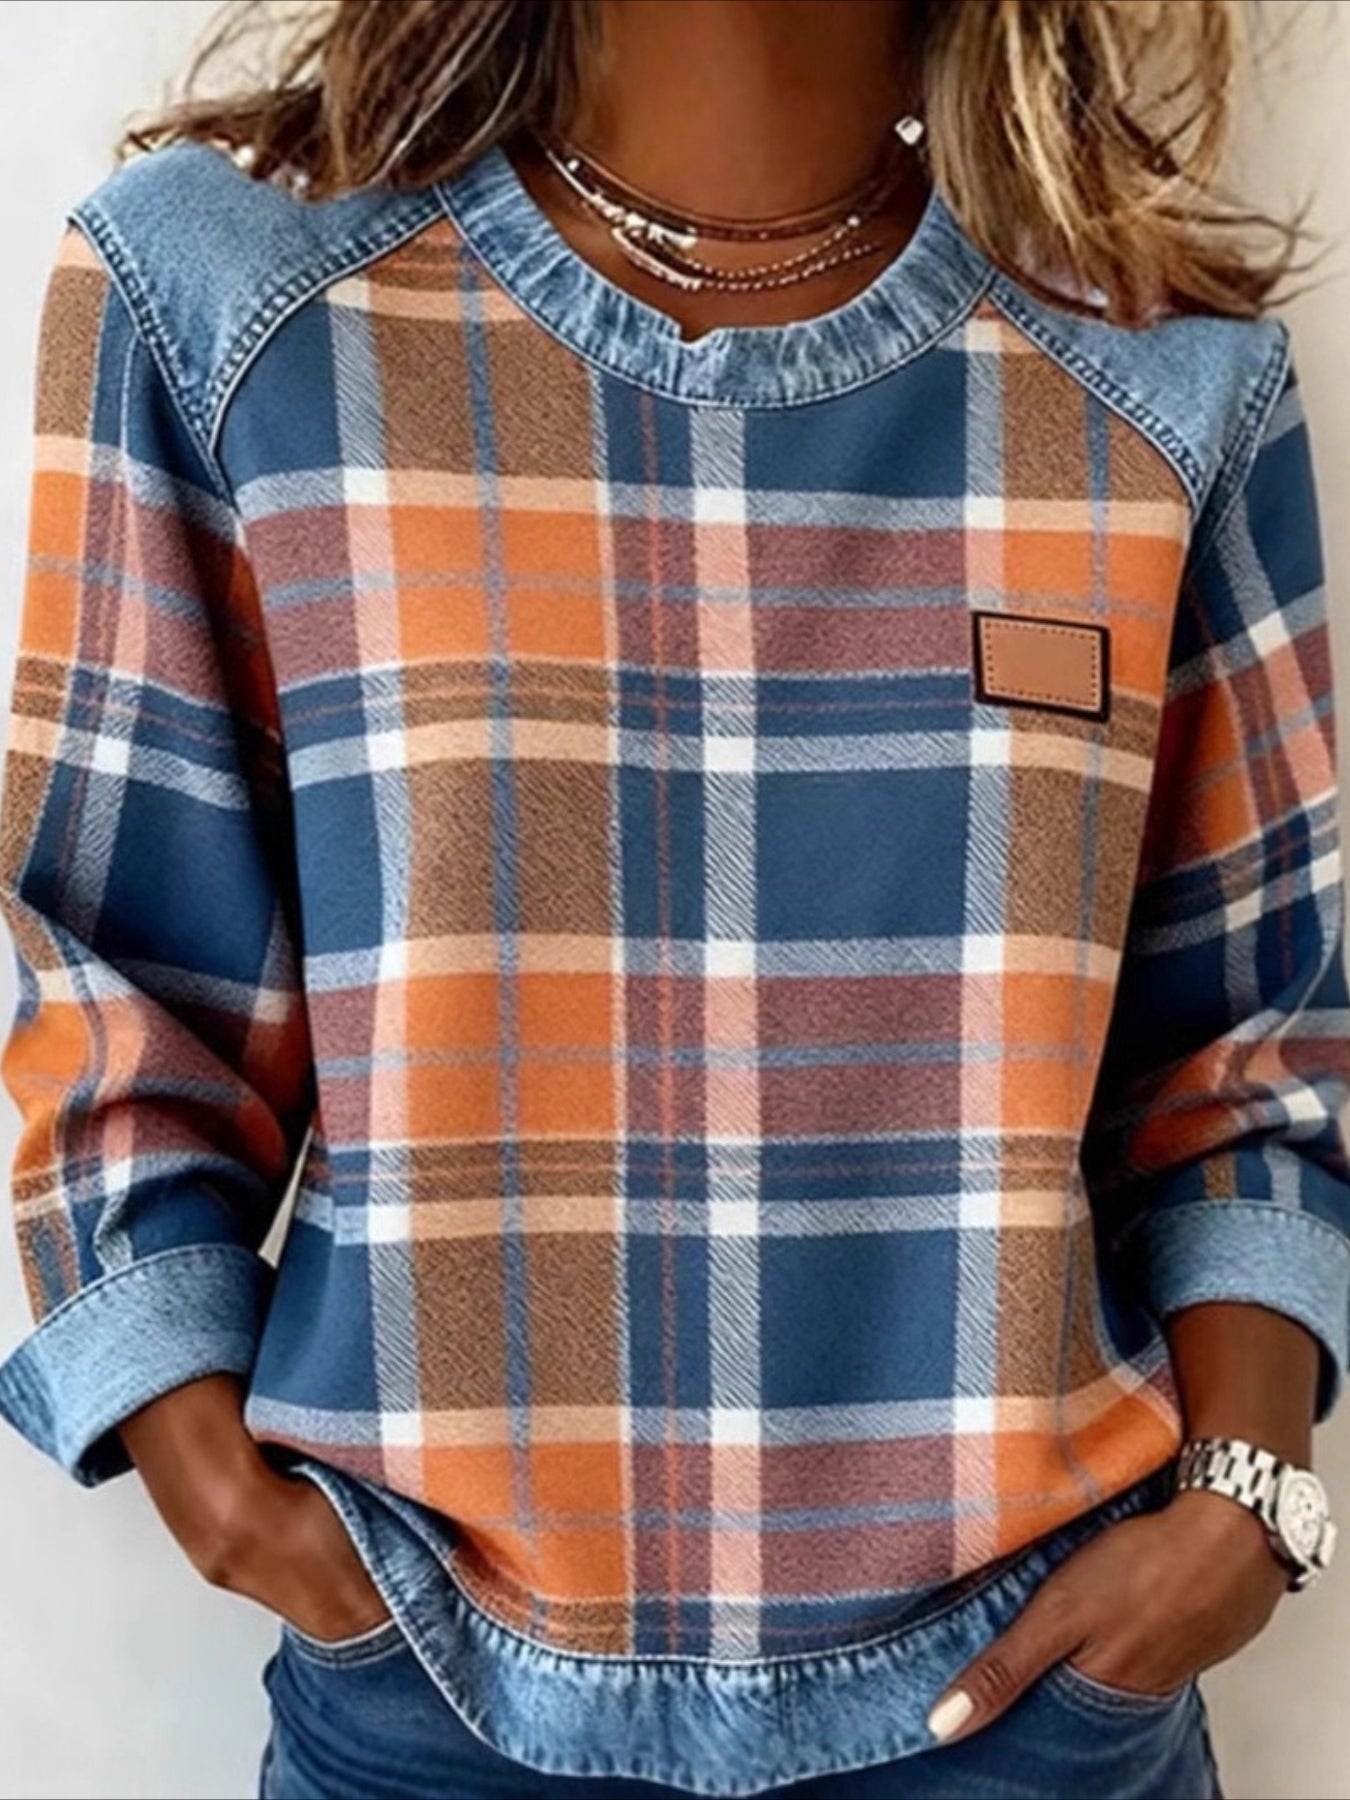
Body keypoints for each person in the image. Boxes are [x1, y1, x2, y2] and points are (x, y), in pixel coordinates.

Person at [0, 1, 1344, 1795]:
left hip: (1032, 1706)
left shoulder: (1158, 374)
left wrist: (1247, 1503)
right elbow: (116, 989)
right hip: (433, 1692)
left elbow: (1250, 1056)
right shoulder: (230, 305)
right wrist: (216, 1483)